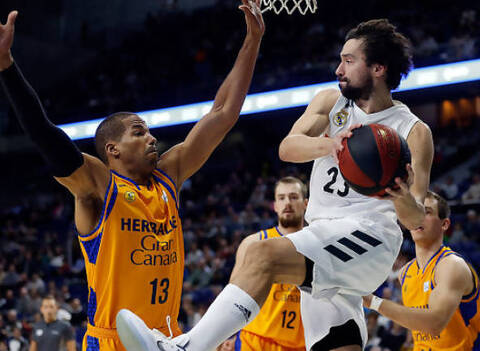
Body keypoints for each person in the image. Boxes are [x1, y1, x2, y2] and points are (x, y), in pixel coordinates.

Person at [117, 18, 433, 351]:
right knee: (338, 344)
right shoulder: (330, 103)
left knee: (260, 253)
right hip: (321, 237)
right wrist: (332, 145)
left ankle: (185, 348)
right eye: (340, 59)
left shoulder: (412, 130)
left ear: (378, 68)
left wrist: (399, 194)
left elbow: (415, 220)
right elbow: (287, 147)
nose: (338, 68)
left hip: (369, 238)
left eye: (349, 61)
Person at [0, 1, 264, 350]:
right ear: (113, 150)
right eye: (138, 132)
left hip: (167, 340)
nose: (151, 137)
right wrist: (6, 66)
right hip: (111, 342)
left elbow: (223, 112)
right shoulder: (99, 186)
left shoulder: (170, 175)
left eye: (149, 131)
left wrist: (253, 40)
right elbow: (45, 133)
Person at [362, 191, 480, 350]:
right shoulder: (405, 273)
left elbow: (434, 324)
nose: (418, 217)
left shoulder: (451, 265)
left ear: (444, 224)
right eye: (416, 211)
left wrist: (373, 302)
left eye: (426, 212)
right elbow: (418, 326)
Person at [230, 177, 308, 351]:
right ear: (275, 206)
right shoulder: (254, 243)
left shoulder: (317, 244)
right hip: (255, 341)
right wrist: (226, 335)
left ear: (306, 203)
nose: (287, 203)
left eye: (294, 197)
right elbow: (232, 296)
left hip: (301, 345)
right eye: (281, 198)